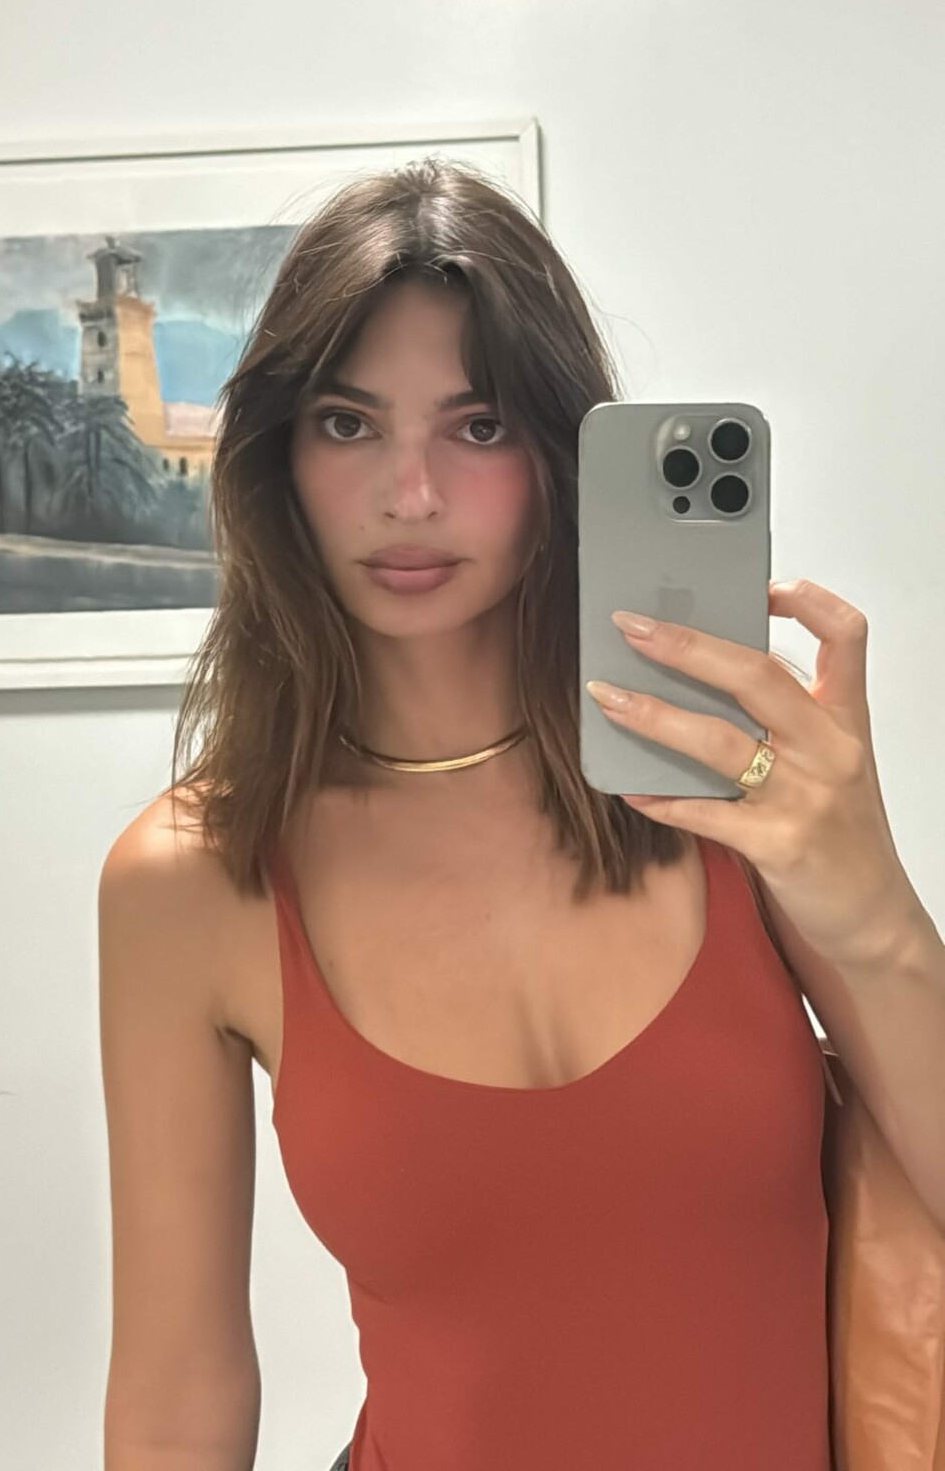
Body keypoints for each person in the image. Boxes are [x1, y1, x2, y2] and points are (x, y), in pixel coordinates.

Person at [98, 157, 830, 1471]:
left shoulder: (735, 782)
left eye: (478, 426)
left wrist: (865, 880)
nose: (412, 495)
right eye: (348, 423)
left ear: (559, 455)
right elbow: (177, 1388)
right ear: (278, 459)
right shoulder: (191, 878)